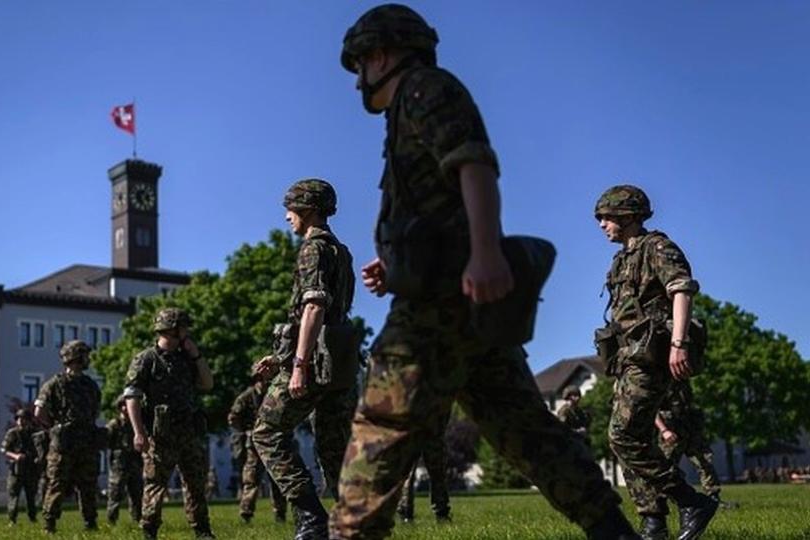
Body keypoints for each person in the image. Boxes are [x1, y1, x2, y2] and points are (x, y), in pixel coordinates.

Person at [329, 5, 638, 539]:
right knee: (528, 432)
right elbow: (436, 203)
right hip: (465, 307)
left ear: (379, 54)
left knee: (378, 431)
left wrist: (486, 252)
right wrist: (397, 263)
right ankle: (613, 530)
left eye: (360, 64)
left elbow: (473, 164)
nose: (359, 79)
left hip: (438, 307)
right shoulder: (409, 103)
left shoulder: (424, 88)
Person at [595, 184, 718, 540]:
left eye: (607, 216)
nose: (603, 224)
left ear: (629, 215)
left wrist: (678, 343)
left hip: (651, 357)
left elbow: (681, 289)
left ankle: (691, 501)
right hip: (629, 359)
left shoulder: (657, 247)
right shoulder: (621, 259)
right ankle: (653, 521)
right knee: (633, 439)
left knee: (622, 437)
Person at [251, 178, 359, 539]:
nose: (287, 216)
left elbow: (314, 306)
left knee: (266, 432)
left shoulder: (313, 249)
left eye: (291, 208)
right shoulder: (341, 251)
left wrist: (297, 366)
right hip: (340, 365)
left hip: (313, 363)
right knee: (333, 450)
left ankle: (311, 517)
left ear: (309, 208)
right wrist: (281, 358)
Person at [124, 307, 216, 540]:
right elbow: (131, 397)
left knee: (196, 483)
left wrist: (196, 355)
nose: (187, 333)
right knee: (155, 484)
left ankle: (202, 531)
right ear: (172, 330)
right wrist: (138, 432)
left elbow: (207, 384)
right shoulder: (146, 359)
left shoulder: (187, 358)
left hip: (189, 432)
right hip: (160, 436)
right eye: (183, 329)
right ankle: (149, 531)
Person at [34, 339, 102, 533]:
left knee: (88, 484)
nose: (88, 359)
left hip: (86, 443)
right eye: (85, 355)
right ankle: (49, 523)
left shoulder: (90, 385)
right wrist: (55, 428)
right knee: (57, 484)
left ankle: (90, 523)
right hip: (63, 445)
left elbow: (94, 411)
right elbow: (39, 412)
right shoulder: (54, 384)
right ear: (75, 357)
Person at [229, 378, 287, 523]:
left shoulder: (273, 393)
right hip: (254, 445)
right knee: (251, 478)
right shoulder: (246, 397)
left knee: (277, 478)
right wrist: (245, 431)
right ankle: (246, 512)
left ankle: (280, 512)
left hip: (273, 441)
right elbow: (233, 418)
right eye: (260, 379)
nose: (264, 382)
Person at [655, 382, 721, 501]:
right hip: (671, 429)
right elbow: (652, 409)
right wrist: (664, 430)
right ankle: (662, 500)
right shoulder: (658, 378)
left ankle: (713, 497)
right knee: (666, 467)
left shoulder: (682, 378)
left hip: (689, 425)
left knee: (704, 460)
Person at [396, 412, 451, 524]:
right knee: (437, 472)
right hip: (431, 425)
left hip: (415, 425)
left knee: (411, 472)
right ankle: (441, 513)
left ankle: (406, 513)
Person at [106, 396, 144, 525]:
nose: (124, 408)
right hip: (119, 465)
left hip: (135, 463)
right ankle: (112, 521)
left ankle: (137, 520)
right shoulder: (114, 424)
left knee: (137, 495)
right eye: (122, 405)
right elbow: (107, 443)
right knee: (115, 494)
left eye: (126, 405)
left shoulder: (137, 424)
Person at [2, 408, 40, 524]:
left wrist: (38, 458)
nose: (21, 422)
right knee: (13, 495)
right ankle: (12, 519)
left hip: (30, 468)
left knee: (31, 496)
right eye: (19, 419)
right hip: (16, 469)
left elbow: (39, 449)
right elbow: (4, 449)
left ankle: (32, 518)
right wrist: (15, 456)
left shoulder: (34, 434)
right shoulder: (12, 433)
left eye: (24, 419)